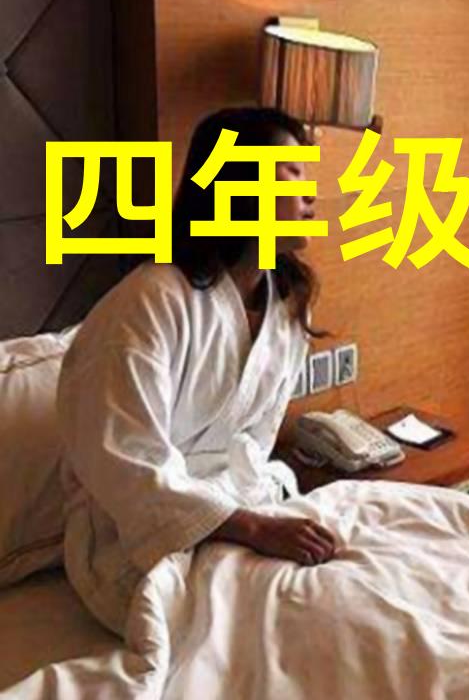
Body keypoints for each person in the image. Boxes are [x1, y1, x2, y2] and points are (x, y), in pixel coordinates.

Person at [57, 107, 339, 635]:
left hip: (240, 506)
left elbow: (255, 443)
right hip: (137, 542)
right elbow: (128, 465)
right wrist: (252, 529)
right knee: (316, 619)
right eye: (291, 174)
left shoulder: (286, 305)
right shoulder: (147, 305)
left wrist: (262, 518)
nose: (310, 196)